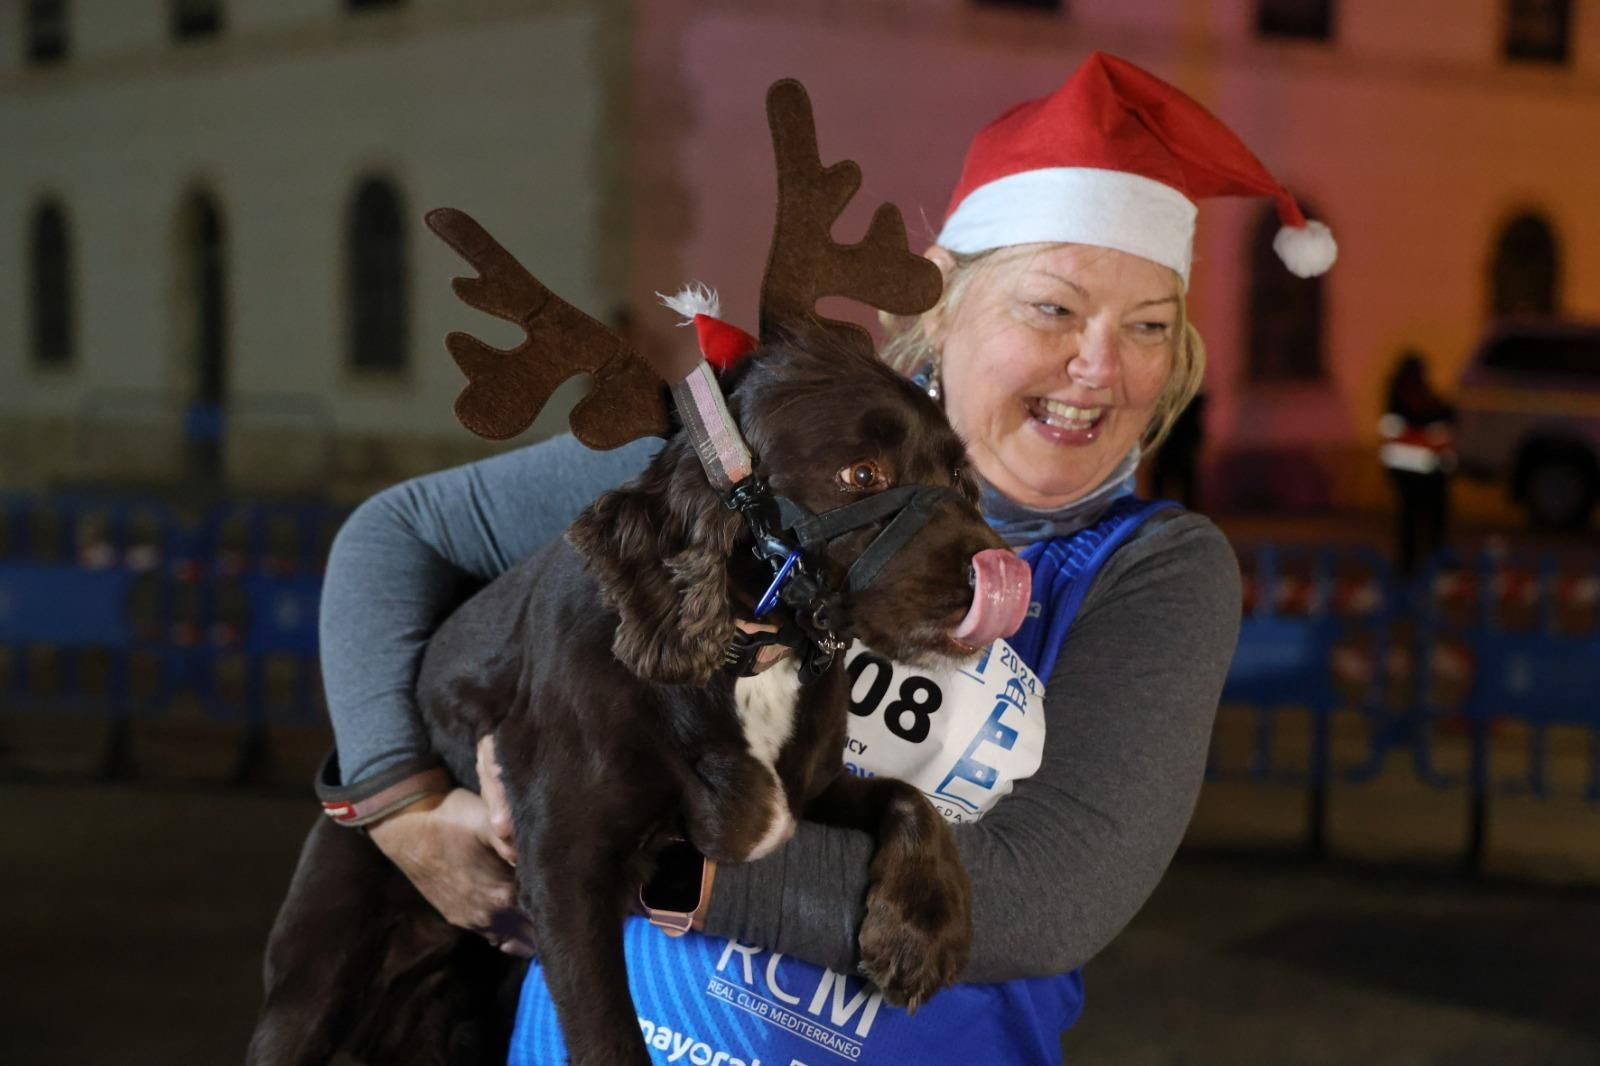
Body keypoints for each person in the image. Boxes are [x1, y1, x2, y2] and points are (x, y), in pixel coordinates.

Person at [315, 53, 1333, 1063]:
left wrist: (629, 857)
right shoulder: (751, 450)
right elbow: (397, 535)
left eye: (1149, 327)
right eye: (1053, 307)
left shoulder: (1149, 569)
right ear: (942, 301)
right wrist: (400, 804)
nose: (1099, 364)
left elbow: (1050, 893)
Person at [1379, 349, 1455, 575]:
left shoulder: (1423, 396)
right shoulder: (1400, 399)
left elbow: (1447, 416)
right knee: (1411, 525)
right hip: (1411, 475)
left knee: (1432, 523)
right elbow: (1401, 429)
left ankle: (1432, 563)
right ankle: (1409, 568)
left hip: (1431, 473)